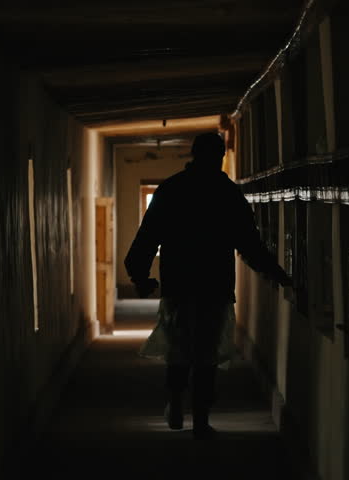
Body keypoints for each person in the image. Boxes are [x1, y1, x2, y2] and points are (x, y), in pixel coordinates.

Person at [124, 132, 291, 440]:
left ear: (193, 154)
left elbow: (148, 237)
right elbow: (249, 244)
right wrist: (277, 273)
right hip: (215, 285)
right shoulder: (227, 193)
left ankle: (175, 402)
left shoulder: (171, 190)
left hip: (179, 284)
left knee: (179, 348)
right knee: (206, 353)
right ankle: (200, 419)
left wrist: (140, 276)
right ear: (219, 157)